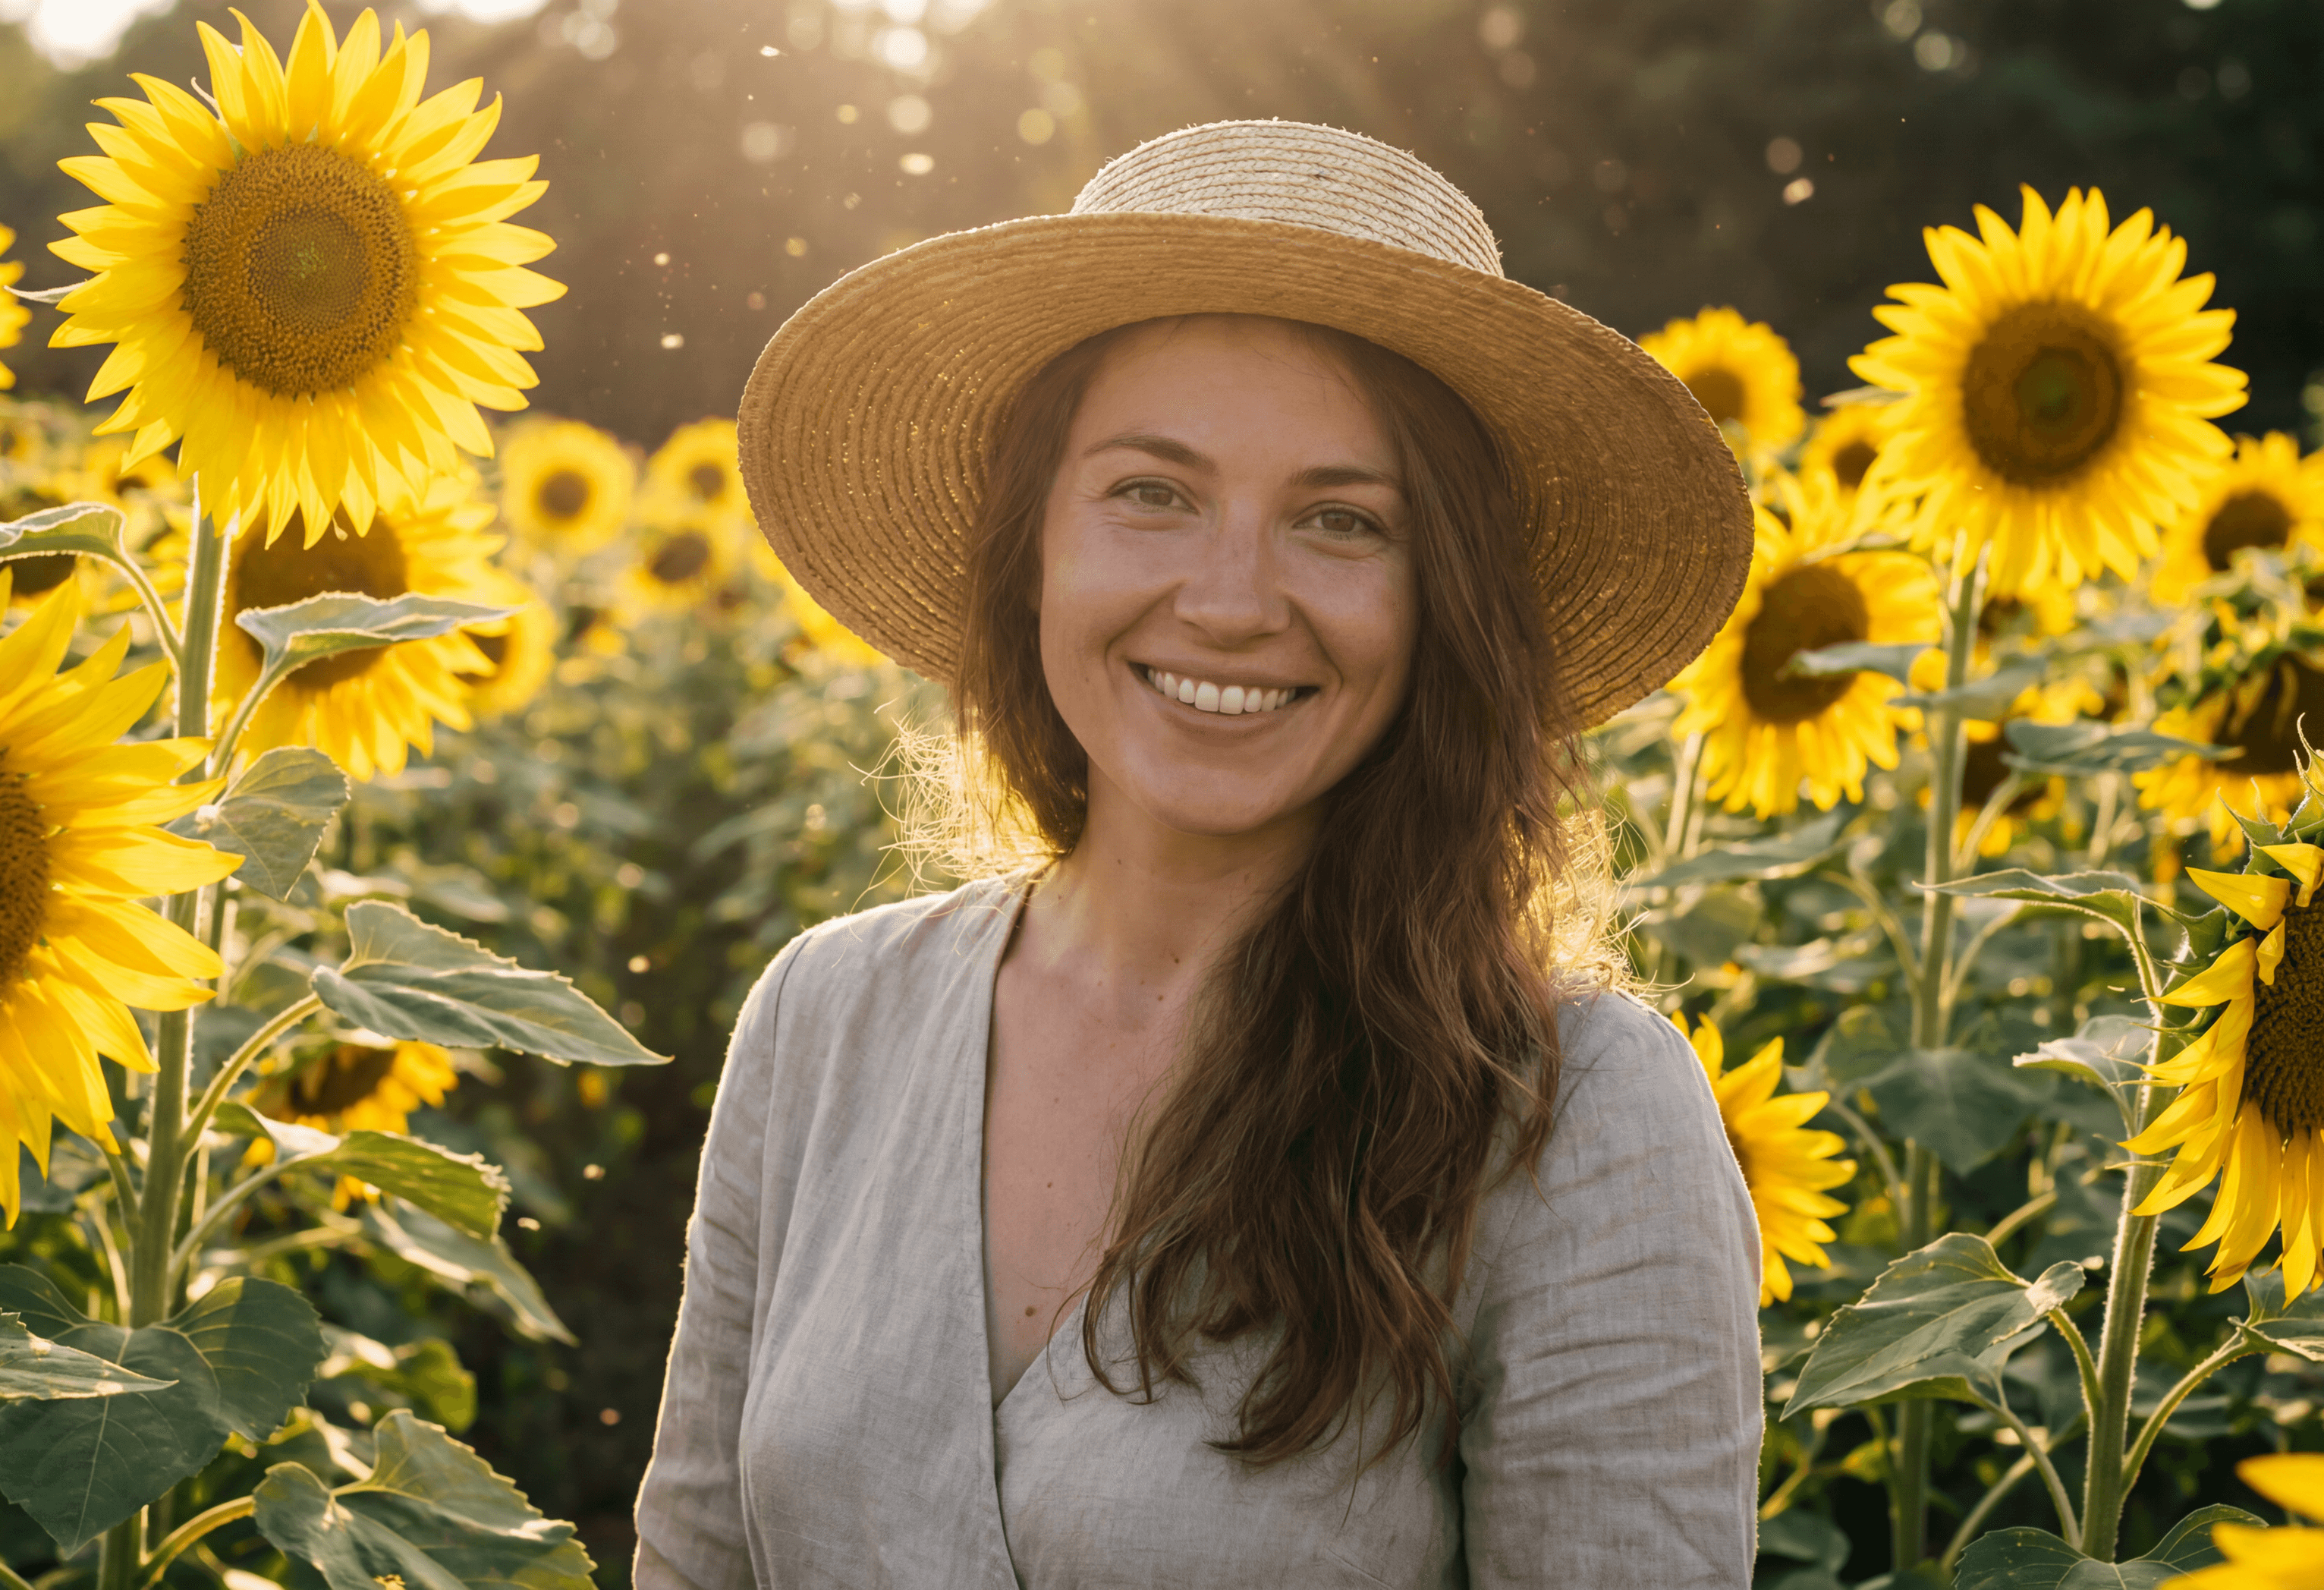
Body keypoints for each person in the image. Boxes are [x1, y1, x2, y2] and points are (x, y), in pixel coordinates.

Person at [634, 119, 1763, 1588]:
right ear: (1029, 542)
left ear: (1447, 608)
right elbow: (695, 1559)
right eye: (1152, 492)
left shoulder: (1574, 1118)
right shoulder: (824, 1020)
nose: (1232, 601)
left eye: (1342, 520)